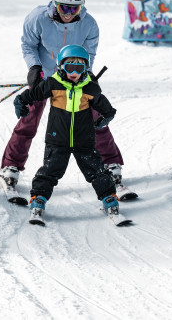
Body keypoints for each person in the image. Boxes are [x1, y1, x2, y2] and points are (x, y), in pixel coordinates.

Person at [0, 0, 136, 200]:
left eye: (75, 9)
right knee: (29, 118)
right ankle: (11, 166)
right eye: (64, 8)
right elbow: (28, 45)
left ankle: (111, 165)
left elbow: (89, 55)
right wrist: (34, 68)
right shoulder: (38, 18)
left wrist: (87, 77)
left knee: (94, 118)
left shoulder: (89, 24)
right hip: (46, 78)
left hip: (74, 78)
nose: (69, 14)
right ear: (54, 3)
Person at [14, 44, 122, 225]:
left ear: (85, 69)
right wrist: (20, 102)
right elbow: (32, 94)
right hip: (57, 140)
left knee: (97, 171)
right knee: (49, 171)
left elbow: (107, 108)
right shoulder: (53, 84)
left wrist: (106, 118)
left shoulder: (90, 88)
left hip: (84, 140)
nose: (74, 72)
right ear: (61, 67)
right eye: (69, 67)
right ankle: (38, 199)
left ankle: (108, 198)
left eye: (79, 68)